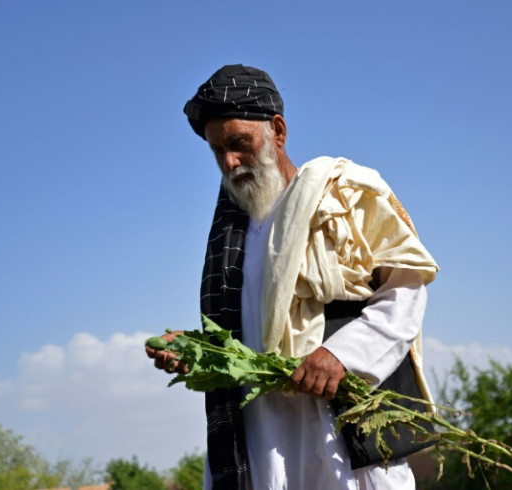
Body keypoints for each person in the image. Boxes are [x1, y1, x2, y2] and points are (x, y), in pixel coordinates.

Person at [146, 64, 439, 490]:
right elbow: (251, 332)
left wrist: (342, 355)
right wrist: (196, 349)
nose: (229, 161)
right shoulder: (230, 233)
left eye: (238, 143)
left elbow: (405, 290)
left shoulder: (342, 194)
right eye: (217, 151)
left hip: (338, 430)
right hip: (257, 439)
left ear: (277, 131)